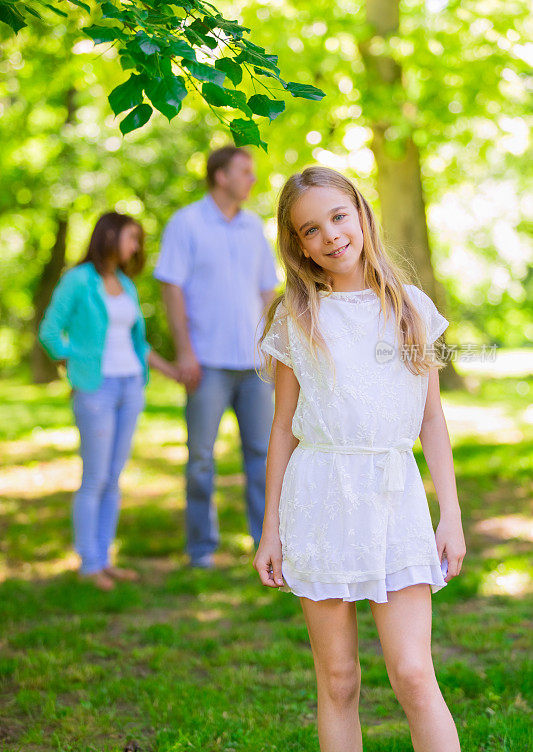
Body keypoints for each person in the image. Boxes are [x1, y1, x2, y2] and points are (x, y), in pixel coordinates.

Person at [254, 166, 466, 752]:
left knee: (414, 674)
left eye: (338, 216)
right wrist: (270, 528)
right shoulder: (297, 317)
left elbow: (431, 419)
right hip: (319, 497)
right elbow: (282, 429)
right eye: (311, 229)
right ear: (298, 244)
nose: (331, 236)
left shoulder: (410, 306)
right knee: (339, 679)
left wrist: (449, 513)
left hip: (394, 496)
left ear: (361, 213)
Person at [39, 212, 178, 591]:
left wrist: (171, 370)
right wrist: (76, 362)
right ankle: (88, 563)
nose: (136, 247)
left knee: (113, 478)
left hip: (130, 385)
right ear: (111, 236)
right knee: (95, 477)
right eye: (132, 238)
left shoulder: (125, 285)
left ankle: (104, 559)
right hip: (96, 388)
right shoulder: (78, 280)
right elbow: (50, 331)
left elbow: (137, 343)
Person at [154, 145, 279, 568]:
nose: (253, 179)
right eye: (245, 171)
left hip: (255, 365)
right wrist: (185, 352)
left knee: (264, 456)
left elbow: (267, 290)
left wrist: (273, 348)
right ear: (221, 176)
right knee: (202, 460)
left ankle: (268, 545)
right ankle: (201, 549)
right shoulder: (185, 223)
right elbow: (171, 288)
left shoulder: (254, 227)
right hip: (205, 363)